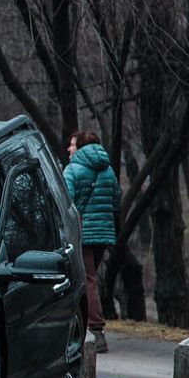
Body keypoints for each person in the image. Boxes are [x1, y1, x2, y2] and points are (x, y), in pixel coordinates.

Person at [64, 130, 119, 352]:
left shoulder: (73, 170)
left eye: (72, 144)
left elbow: (65, 202)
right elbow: (116, 201)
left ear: (82, 148)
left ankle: (96, 332)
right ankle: (85, 327)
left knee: (87, 280)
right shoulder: (109, 171)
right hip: (103, 234)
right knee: (91, 278)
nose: (69, 148)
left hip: (82, 234)